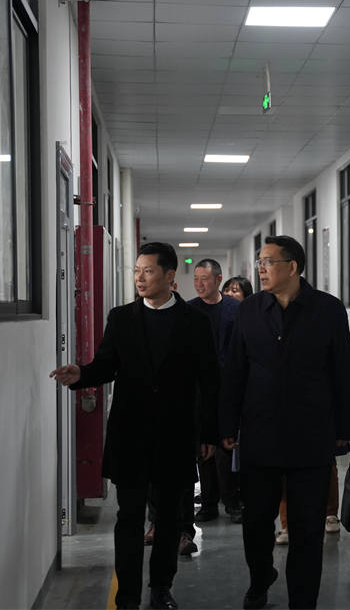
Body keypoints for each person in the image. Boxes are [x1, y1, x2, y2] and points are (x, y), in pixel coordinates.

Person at [50, 242, 219, 610]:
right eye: (137, 271)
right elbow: (106, 365)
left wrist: (208, 433)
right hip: (130, 434)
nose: (140, 278)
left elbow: (209, 380)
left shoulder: (194, 322)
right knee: (128, 518)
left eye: (148, 271)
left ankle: (161, 588)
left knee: (169, 519)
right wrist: (81, 374)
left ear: (170, 276)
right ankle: (127, 595)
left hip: (175, 435)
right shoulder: (122, 318)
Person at [220, 235, 350, 610]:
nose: (261, 269)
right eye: (260, 263)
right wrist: (227, 425)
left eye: (268, 262)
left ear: (292, 266)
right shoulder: (249, 310)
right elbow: (235, 371)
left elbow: (343, 371)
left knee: (307, 527)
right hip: (259, 435)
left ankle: (303, 599)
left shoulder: (327, 310)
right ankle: (260, 577)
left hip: (310, 436)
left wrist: (347, 429)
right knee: (256, 523)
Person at [189, 259, 243, 525]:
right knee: (204, 447)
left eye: (205, 279)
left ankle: (232, 501)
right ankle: (209, 503)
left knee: (227, 446)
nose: (199, 284)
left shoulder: (236, 309)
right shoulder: (189, 311)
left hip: (228, 388)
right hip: (200, 390)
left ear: (219, 279)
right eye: (196, 279)